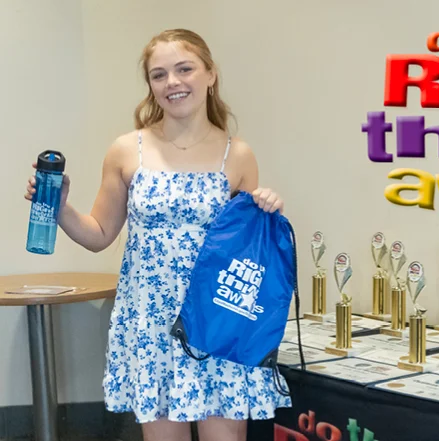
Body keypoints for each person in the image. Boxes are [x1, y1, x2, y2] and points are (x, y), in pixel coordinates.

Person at [24, 29, 292, 441]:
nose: (173, 83)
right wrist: (60, 209)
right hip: (150, 321)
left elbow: (249, 248)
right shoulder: (126, 150)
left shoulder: (237, 154)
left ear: (210, 75)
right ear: (150, 85)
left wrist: (268, 203)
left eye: (184, 69)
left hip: (216, 319)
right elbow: (99, 234)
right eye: (159, 74)